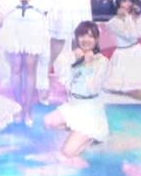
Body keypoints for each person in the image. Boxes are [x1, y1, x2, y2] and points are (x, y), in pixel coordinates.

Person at [0, 0, 54, 125]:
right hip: (13, 26)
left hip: (34, 26)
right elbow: (1, 2)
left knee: (30, 68)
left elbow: (49, 3)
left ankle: (28, 109)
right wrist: (17, 0)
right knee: (16, 67)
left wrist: (31, 1)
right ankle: (18, 106)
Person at [44, 21, 111, 158]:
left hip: (90, 111)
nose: (86, 40)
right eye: (82, 36)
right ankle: (78, 133)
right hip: (74, 106)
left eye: (90, 36)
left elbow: (92, 88)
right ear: (76, 38)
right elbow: (65, 80)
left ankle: (92, 137)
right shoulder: (72, 56)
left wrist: (86, 65)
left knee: (67, 152)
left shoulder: (102, 61)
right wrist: (75, 60)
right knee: (48, 122)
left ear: (97, 39)